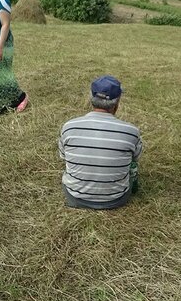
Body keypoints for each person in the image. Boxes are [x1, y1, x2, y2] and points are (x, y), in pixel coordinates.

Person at [59, 75, 143, 210]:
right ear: (117, 102)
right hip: (116, 199)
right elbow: (135, 159)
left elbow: (63, 156)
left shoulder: (69, 126)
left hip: (75, 197)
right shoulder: (131, 131)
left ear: (91, 98)